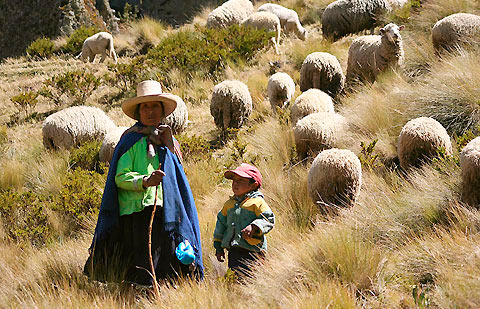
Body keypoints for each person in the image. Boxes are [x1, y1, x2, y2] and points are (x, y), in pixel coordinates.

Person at [84, 80, 203, 286]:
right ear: (139, 112)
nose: (150, 111)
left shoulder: (170, 142)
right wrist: (145, 181)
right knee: (142, 258)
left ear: (162, 110)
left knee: (163, 256)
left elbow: (178, 179)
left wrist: (167, 148)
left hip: (165, 211)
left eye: (155, 106)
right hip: (136, 211)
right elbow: (119, 178)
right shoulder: (130, 141)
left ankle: (163, 293)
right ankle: (142, 294)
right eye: (145, 107)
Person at [213, 163, 275, 277]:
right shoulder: (229, 205)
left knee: (254, 277)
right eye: (234, 181)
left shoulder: (257, 202)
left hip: (253, 251)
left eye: (241, 181)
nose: (235, 184)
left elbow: (268, 219)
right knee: (236, 277)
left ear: (253, 185)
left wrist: (254, 226)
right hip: (234, 251)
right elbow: (220, 225)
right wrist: (218, 246)